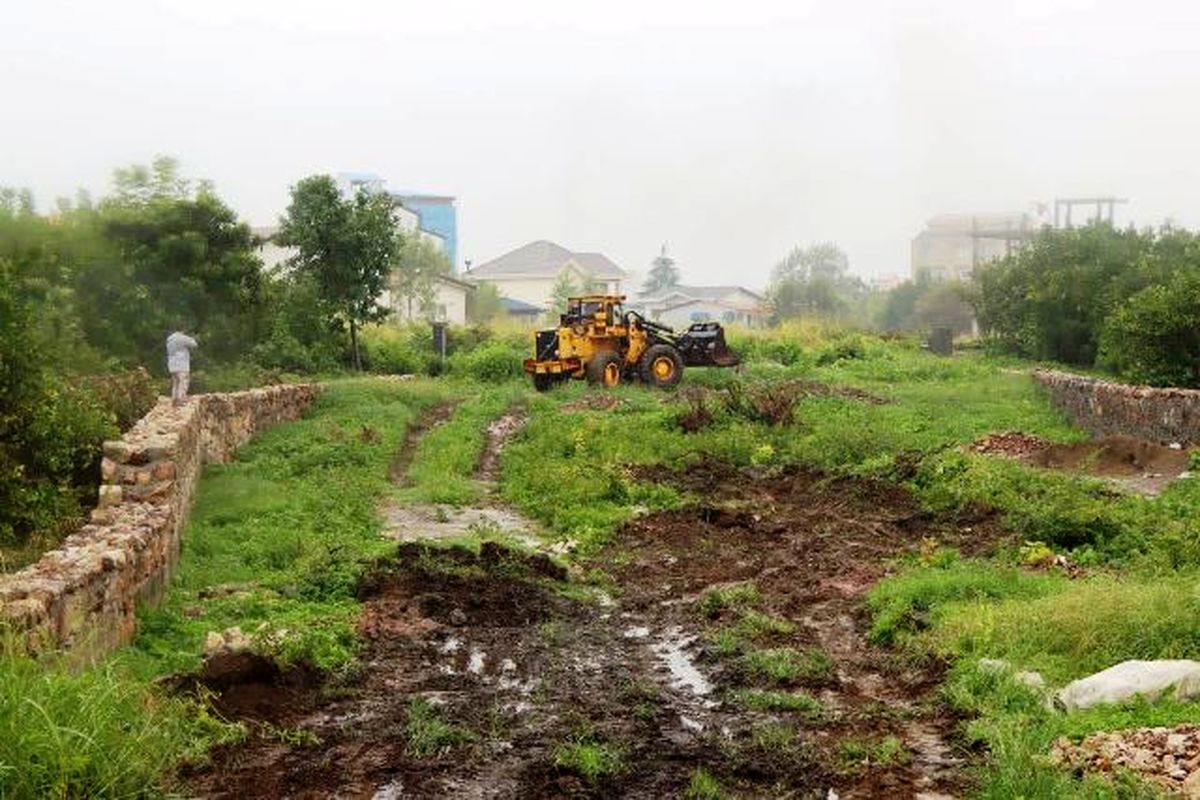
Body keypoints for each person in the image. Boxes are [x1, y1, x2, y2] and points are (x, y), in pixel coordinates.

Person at [166, 330, 198, 406]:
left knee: (175, 383)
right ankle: (181, 399)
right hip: (182, 364)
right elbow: (194, 344)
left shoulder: (169, 340)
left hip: (172, 364)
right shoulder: (182, 338)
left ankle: (174, 399)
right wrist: (192, 338)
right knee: (183, 382)